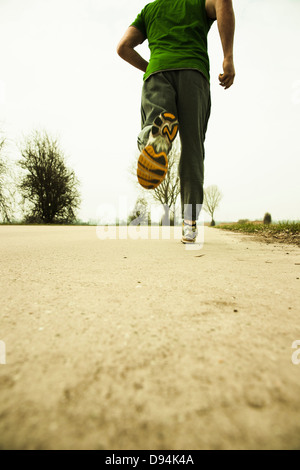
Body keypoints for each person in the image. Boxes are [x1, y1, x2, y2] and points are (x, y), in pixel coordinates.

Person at [117, 0, 235, 243]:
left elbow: (123, 47)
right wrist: (228, 57)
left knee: (154, 122)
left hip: (158, 73)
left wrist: (151, 67)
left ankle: (153, 135)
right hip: (193, 73)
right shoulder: (198, 3)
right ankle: (190, 223)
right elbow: (223, 1)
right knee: (193, 149)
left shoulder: (150, 10)